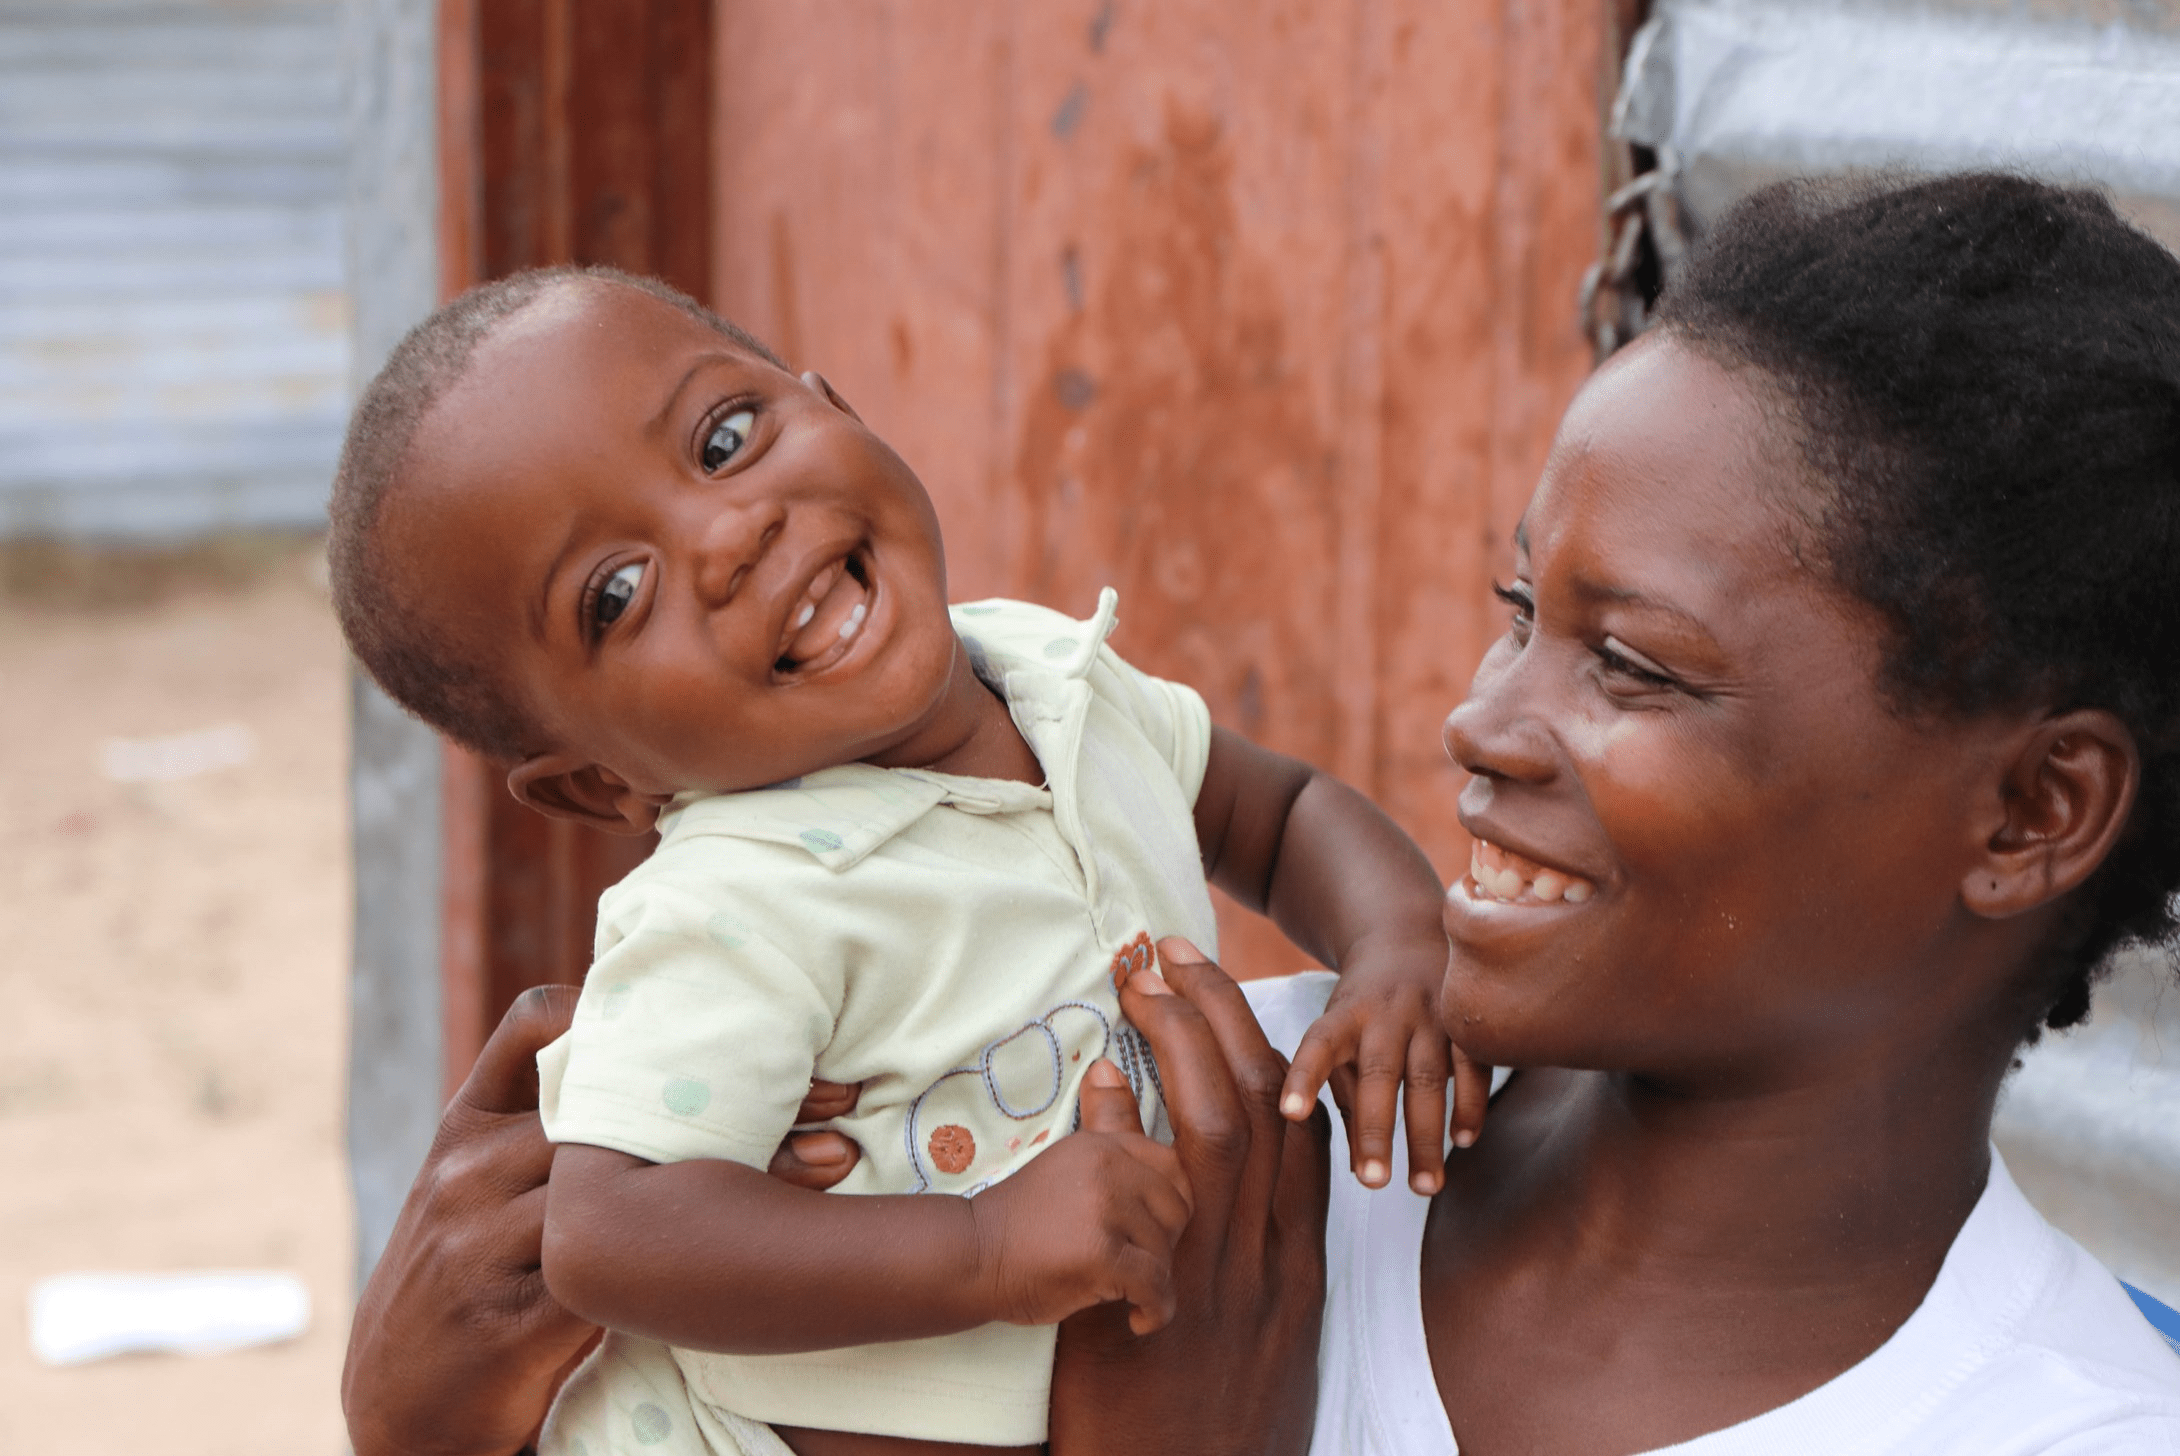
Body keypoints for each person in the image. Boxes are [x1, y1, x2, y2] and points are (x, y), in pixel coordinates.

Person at [345, 171, 2180, 1454]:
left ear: (2030, 809)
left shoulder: (2065, 1425)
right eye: (1521, 615)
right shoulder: (1213, 1118)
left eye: (1635, 669)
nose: (1477, 726)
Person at [325, 267, 1489, 1456]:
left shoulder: (1054, 675)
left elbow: (1276, 811)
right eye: (617, 595)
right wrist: (982, 1245)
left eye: (725, 437)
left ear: (835, 405)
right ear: (598, 782)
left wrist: (1393, 943)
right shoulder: (733, 901)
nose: (730, 536)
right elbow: (608, 1230)